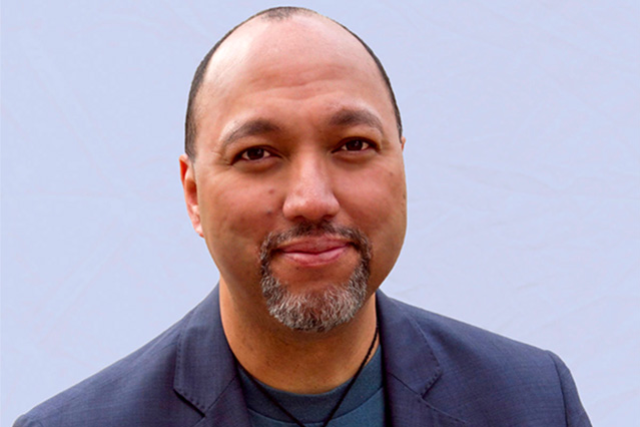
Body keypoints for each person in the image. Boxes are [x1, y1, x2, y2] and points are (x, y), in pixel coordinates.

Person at [14, 7, 591, 427]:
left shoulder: (534, 403)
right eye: (257, 153)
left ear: (401, 165)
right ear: (193, 195)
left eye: (354, 145)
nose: (311, 200)